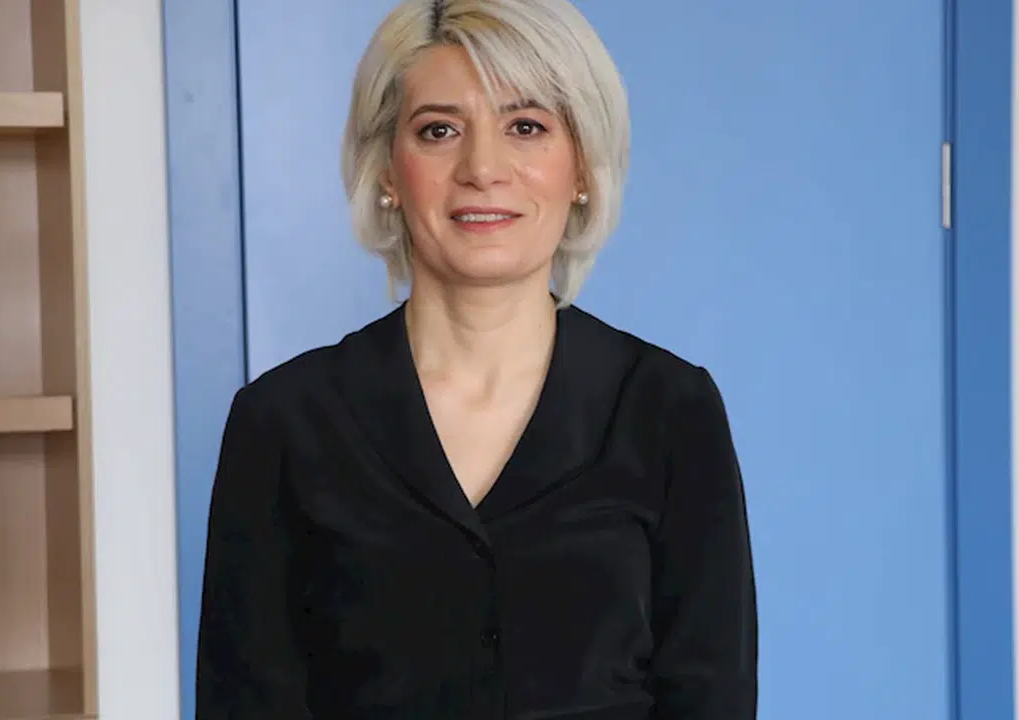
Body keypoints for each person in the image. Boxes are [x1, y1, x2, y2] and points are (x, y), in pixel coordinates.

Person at [195, 0, 758, 717]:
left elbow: (712, 696)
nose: (483, 169)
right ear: (388, 170)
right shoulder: (282, 420)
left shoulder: (670, 408)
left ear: (581, 168)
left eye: (526, 127)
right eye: (439, 130)